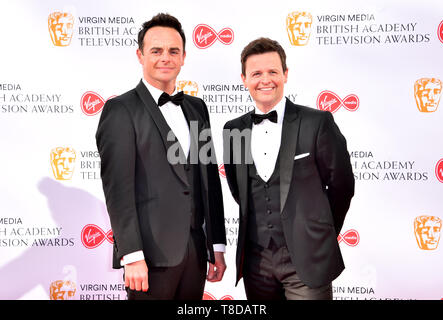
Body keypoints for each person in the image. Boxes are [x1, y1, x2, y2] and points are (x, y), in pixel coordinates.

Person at [96, 13, 226, 300]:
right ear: (140, 55)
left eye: (173, 51)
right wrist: (131, 254)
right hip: (148, 257)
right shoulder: (120, 110)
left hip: (195, 253)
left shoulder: (197, 108)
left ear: (183, 57)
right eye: (156, 51)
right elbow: (118, 190)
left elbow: (208, 180)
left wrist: (217, 244)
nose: (165, 57)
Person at [223, 37, 354, 300]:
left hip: (306, 259)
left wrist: (319, 234)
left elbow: (342, 186)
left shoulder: (317, 122)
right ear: (244, 79)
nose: (265, 79)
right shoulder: (232, 130)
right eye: (256, 73)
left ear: (285, 74)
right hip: (255, 262)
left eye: (273, 71)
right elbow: (239, 190)